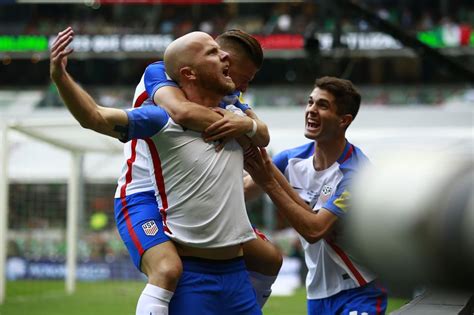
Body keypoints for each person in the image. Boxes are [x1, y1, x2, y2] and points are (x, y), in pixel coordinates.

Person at [50, 27, 281, 315]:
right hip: (141, 195)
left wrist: (249, 125)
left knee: (270, 258)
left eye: (245, 81)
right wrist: (61, 77)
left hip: (228, 267)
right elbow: (172, 113)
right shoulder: (161, 91)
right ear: (189, 73)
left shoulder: (233, 109)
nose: (239, 86)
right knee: (167, 269)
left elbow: (263, 144)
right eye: (215, 55)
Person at [244, 77, 388, 315]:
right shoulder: (290, 160)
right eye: (310, 102)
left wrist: (270, 183)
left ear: (344, 120)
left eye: (322, 105)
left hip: (360, 289)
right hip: (318, 294)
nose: (311, 110)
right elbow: (244, 190)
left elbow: (315, 230)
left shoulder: (356, 174)